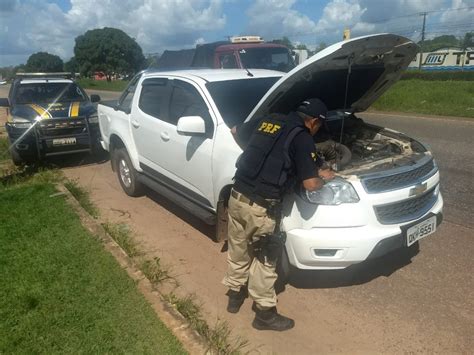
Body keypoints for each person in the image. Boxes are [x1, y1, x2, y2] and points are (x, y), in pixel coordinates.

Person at [222, 98, 335, 331]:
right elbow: (311, 184)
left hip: (236, 196)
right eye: (319, 127)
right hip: (261, 208)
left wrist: (259, 158)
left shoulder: (269, 121)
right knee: (265, 259)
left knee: (238, 247)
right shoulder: (302, 138)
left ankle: (234, 296)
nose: (317, 131)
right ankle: (264, 314)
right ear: (313, 121)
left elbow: (235, 130)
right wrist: (323, 177)